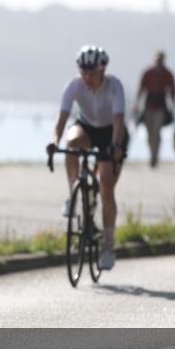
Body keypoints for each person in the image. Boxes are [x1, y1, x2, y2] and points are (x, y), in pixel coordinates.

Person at [47, 45, 129, 271]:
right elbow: (62, 119)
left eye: (92, 73)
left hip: (111, 133)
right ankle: (74, 191)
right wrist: (54, 140)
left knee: (106, 187)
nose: (87, 78)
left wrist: (115, 147)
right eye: (83, 73)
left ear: (103, 71)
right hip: (87, 128)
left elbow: (119, 121)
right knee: (71, 144)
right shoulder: (74, 86)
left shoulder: (114, 86)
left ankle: (108, 246)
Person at [133, 49, 175, 168]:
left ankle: (154, 157)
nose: (159, 62)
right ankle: (152, 153)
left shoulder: (168, 74)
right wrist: (136, 104)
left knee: (156, 132)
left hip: (161, 107)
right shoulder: (148, 72)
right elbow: (141, 89)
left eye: (161, 60)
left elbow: (173, 91)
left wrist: (173, 105)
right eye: (157, 60)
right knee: (149, 132)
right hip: (148, 106)